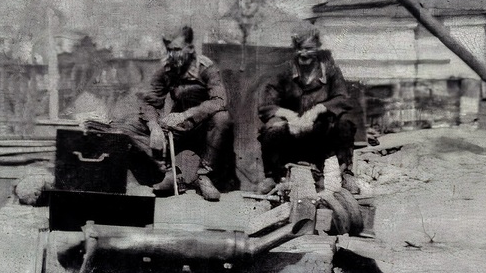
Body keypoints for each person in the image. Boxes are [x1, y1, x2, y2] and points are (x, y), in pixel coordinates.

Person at [119, 25, 232, 201]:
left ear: (190, 48)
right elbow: (151, 102)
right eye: (169, 50)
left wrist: (186, 115)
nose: (173, 55)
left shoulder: (206, 68)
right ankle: (172, 174)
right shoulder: (166, 70)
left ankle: (202, 176)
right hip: (176, 128)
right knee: (129, 127)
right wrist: (154, 126)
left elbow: (219, 101)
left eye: (178, 49)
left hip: (203, 129)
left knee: (222, 118)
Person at [258, 22, 359, 194]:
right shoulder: (283, 71)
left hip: (320, 131)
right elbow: (266, 106)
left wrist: (318, 110)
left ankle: (346, 174)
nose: (303, 53)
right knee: (271, 128)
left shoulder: (331, 70)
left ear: (318, 48)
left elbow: (343, 99)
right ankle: (272, 177)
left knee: (345, 122)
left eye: (309, 48)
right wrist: (289, 116)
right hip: (292, 131)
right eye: (299, 48)